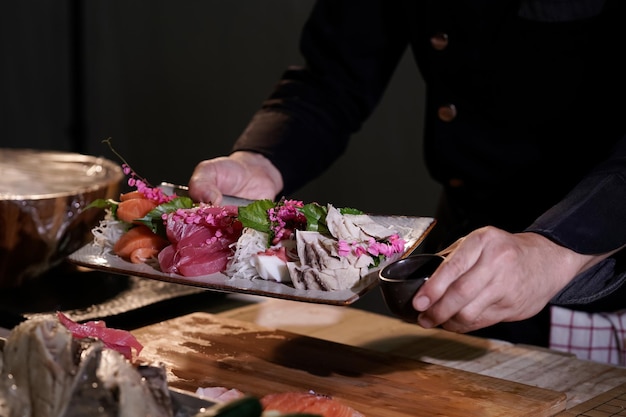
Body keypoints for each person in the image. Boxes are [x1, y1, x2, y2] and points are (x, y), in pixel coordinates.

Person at [188, 0, 626, 355]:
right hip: (462, 263)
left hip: (605, 287)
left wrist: (557, 248)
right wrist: (260, 162)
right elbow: (331, 75)